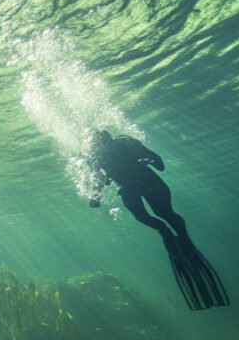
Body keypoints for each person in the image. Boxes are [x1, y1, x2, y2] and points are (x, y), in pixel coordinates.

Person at [87, 130, 228, 310]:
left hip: (148, 181)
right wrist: (96, 196)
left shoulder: (124, 144)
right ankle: (167, 232)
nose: (100, 146)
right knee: (146, 215)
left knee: (163, 212)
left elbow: (158, 162)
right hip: (133, 187)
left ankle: (178, 234)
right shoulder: (99, 156)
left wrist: (148, 161)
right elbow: (98, 179)